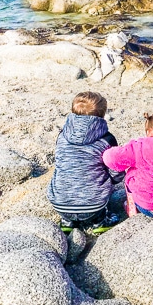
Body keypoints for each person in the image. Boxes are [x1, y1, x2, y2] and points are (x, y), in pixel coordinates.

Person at [47, 91, 123, 229]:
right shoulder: (107, 139)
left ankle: (67, 222)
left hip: (60, 204)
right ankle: (99, 221)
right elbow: (115, 171)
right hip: (93, 206)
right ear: (102, 115)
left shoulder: (62, 137)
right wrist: (116, 180)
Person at [102, 111, 153, 218]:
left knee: (131, 173)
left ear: (149, 132)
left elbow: (110, 158)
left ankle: (132, 209)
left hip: (147, 205)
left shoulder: (141, 147)